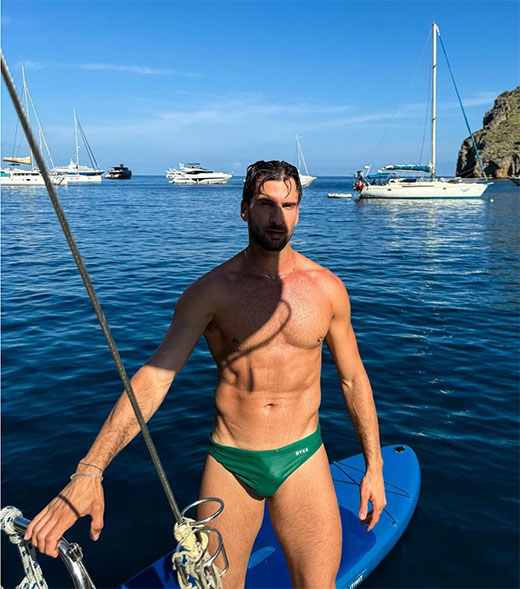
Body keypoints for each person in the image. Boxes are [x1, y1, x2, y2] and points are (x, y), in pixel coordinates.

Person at [25, 160, 386, 589]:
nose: (278, 217)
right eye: (266, 204)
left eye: (289, 206)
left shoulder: (327, 289)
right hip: (232, 461)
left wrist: (374, 465)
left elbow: (353, 379)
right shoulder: (210, 293)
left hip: (303, 457)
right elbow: (155, 378)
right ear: (244, 209)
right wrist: (90, 469)